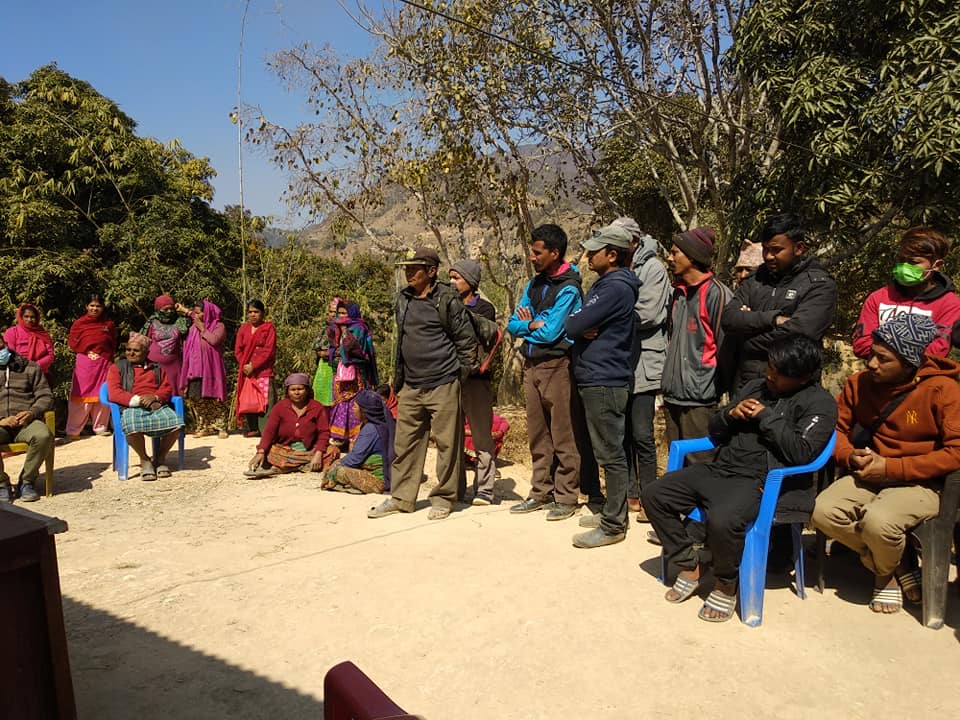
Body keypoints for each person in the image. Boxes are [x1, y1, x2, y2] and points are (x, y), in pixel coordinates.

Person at [643, 334, 836, 622]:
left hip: (760, 480)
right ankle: (690, 563)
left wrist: (767, 417)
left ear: (803, 377)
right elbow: (714, 428)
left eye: (778, 373)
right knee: (655, 494)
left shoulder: (819, 403)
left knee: (724, 519)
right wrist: (730, 415)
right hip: (720, 468)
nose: (769, 376)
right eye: (770, 367)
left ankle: (725, 583)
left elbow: (802, 453)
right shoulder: (756, 386)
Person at [813, 314, 960, 614]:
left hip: (920, 483)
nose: (871, 364)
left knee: (878, 522)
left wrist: (892, 468)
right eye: (871, 354)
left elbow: (956, 452)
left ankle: (884, 577)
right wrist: (849, 455)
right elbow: (836, 430)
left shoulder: (943, 390)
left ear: (909, 364)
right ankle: (897, 563)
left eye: (883, 359)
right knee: (821, 512)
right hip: (868, 475)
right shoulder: (858, 384)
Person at [367, 247, 478, 521]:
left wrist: (458, 376)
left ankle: (444, 498)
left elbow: (466, 341)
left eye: (414, 268)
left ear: (431, 271)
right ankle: (401, 498)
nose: (408, 273)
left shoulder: (447, 299)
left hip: (444, 383)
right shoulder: (403, 299)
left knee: (447, 445)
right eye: (407, 268)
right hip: (411, 385)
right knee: (405, 444)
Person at [506, 224, 593, 520]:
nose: (532, 257)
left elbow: (553, 332)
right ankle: (540, 492)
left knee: (563, 433)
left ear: (554, 253)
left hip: (558, 366)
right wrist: (531, 323)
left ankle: (566, 496)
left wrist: (531, 324)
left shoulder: (569, 288)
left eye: (537, 252)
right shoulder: (534, 284)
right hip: (532, 366)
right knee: (538, 434)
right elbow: (513, 324)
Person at [564, 225, 640, 546]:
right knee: (606, 449)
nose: (588, 256)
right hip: (597, 375)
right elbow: (576, 323)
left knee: (610, 453)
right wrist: (579, 323)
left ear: (612, 255)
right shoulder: (605, 285)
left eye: (594, 251)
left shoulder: (615, 288)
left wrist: (579, 323)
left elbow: (573, 323)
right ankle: (612, 510)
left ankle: (613, 525)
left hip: (604, 378)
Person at [722, 213, 838, 390]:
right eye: (765, 249)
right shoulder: (755, 280)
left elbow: (799, 338)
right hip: (747, 386)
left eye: (776, 250)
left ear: (798, 248)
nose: (768, 256)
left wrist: (744, 337)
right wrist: (773, 319)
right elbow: (729, 318)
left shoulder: (819, 285)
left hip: (792, 390)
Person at [612, 216, 671, 519]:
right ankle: (630, 494)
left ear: (633, 242)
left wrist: (610, 317)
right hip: (621, 362)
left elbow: (648, 313)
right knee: (622, 434)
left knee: (642, 434)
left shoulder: (653, 269)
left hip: (645, 362)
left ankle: (650, 497)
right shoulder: (620, 267)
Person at [661, 227, 734, 455]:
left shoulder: (716, 294)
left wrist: (712, 386)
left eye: (675, 252)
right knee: (675, 464)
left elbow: (727, 349)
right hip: (673, 396)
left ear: (692, 257)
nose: (670, 258)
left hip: (699, 401)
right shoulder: (677, 293)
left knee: (698, 463)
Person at [852, 227, 960, 359]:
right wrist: (902, 357)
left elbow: (937, 351)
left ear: (937, 265)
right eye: (901, 260)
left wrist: (890, 357)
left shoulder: (950, 304)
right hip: (877, 371)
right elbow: (861, 344)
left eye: (913, 262)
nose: (904, 267)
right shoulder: (878, 297)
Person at [449, 258, 499, 505]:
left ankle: (485, 489)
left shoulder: (485, 309)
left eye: (456, 278)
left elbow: (476, 333)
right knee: (452, 437)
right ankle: (455, 488)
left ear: (470, 282)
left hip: (477, 380)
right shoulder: (446, 305)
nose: (451, 282)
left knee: (481, 436)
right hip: (451, 378)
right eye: (450, 277)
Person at [106, 332, 184, 481]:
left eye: (136, 350)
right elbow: (114, 392)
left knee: (177, 424)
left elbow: (167, 388)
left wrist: (156, 397)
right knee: (131, 426)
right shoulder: (117, 367)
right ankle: (144, 459)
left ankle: (160, 458)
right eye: (128, 349)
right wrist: (140, 400)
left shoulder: (157, 368)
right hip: (130, 406)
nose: (131, 353)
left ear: (146, 353)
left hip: (155, 405)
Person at [245, 373, 336, 478]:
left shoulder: (317, 407)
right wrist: (260, 452)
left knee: (333, 451)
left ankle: (285, 467)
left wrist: (319, 453)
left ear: (307, 390)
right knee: (270, 451)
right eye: (293, 390)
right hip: (285, 450)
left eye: (300, 389)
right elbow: (269, 432)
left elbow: (324, 432)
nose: (296, 393)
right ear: (287, 391)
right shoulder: (279, 407)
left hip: (310, 450)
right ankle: (302, 466)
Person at [0, 335, 54, 502]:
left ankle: (27, 481)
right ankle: (2, 484)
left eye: (0, 347)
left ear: (6, 344)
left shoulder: (30, 367)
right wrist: (1, 420)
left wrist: (32, 412)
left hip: (26, 422)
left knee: (43, 435)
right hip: (1, 424)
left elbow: (45, 396)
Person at [322, 389, 396, 494]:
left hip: (379, 480)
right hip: (385, 475)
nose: (352, 409)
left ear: (364, 411)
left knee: (338, 472)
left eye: (355, 407)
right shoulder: (380, 424)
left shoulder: (371, 429)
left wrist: (336, 465)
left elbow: (355, 458)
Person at [66, 293, 117, 440]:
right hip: (85, 362)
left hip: (104, 362)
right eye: (92, 305)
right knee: (81, 395)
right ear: (86, 306)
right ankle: (73, 431)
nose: (95, 308)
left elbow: (112, 343)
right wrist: (87, 351)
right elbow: (73, 342)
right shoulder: (79, 324)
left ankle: (100, 427)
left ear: (103, 307)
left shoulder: (108, 325)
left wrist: (104, 356)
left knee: (102, 394)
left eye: (98, 306)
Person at [329, 302, 379, 447]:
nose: (341, 316)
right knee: (340, 401)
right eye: (339, 313)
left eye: (344, 313)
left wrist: (344, 335)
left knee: (355, 403)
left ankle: (355, 437)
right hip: (340, 373)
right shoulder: (335, 327)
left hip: (356, 373)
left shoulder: (358, 328)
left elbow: (353, 348)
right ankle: (340, 437)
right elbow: (332, 347)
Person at [177, 300, 228, 439]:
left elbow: (214, 340)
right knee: (197, 398)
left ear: (208, 313)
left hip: (212, 368)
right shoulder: (194, 326)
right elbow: (191, 314)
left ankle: (220, 427)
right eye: (196, 313)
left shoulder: (218, 326)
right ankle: (203, 426)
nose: (197, 316)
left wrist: (202, 329)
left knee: (215, 398)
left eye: (199, 313)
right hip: (196, 368)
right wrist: (183, 309)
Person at [234, 299, 277, 437]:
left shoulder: (268, 329)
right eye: (250, 312)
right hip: (247, 371)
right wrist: (245, 365)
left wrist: (254, 365)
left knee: (266, 400)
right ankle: (253, 428)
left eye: (256, 312)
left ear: (263, 313)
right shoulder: (243, 329)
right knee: (249, 399)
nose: (253, 315)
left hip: (263, 371)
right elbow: (238, 350)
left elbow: (268, 350)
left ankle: (266, 431)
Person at [141, 294, 190, 395]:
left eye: (171, 308)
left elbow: (198, 320)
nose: (169, 311)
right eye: (165, 309)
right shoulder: (151, 323)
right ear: (158, 309)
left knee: (173, 394)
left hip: (173, 367)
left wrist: (185, 310)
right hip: (153, 366)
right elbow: (144, 342)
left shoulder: (180, 322)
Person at [4, 303, 55, 375]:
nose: (29, 319)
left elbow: (50, 355)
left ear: (37, 318)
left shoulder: (42, 334)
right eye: (26, 316)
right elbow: (9, 354)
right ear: (21, 317)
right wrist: (25, 367)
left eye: (32, 317)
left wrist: (35, 366)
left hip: (39, 372)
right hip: (18, 373)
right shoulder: (12, 332)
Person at [312, 297, 343, 406]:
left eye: (336, 312)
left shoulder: (348, 331)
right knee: (320, 401)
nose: (333, 315)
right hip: (323, 368)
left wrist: (327, 353)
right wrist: (322, 353)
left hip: (340, 370)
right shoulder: (325, 329)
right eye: (331, 311)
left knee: (336, 400)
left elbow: (345, 350)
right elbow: (317, 347)